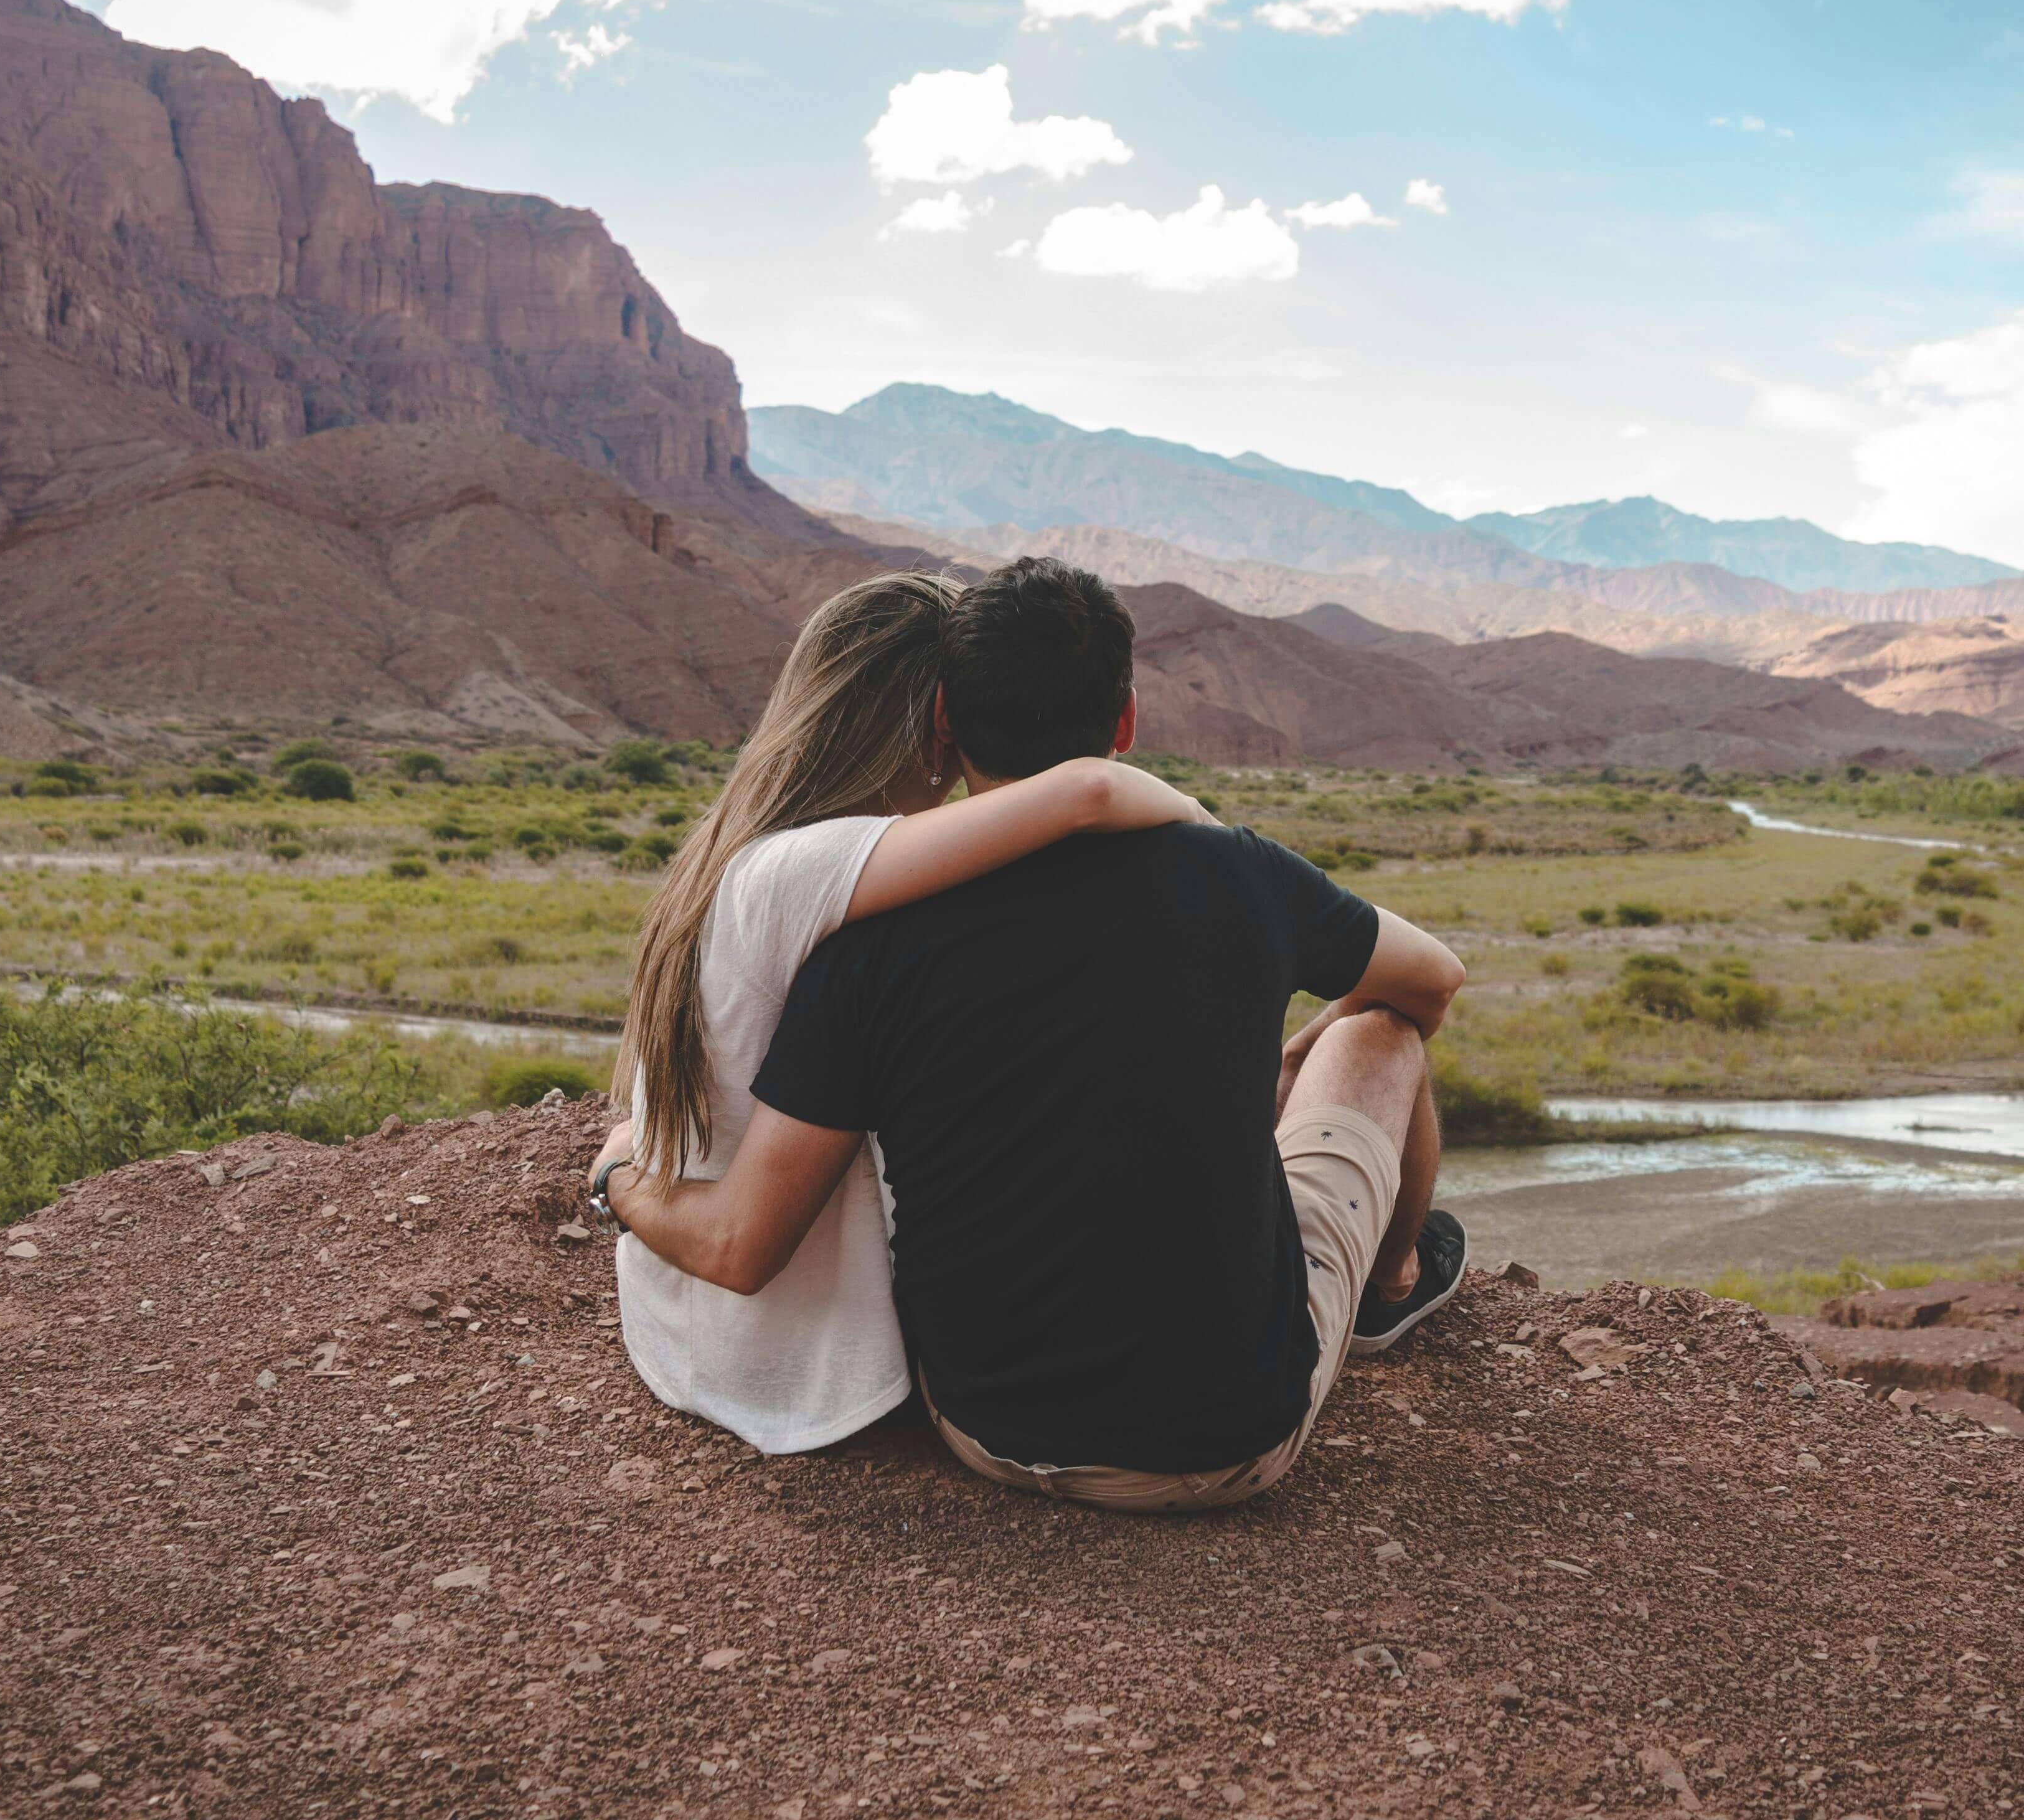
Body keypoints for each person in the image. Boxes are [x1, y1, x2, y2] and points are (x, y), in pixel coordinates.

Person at [593, 557, 1469, 1511]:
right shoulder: (1238, 873)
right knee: (1381, 1030)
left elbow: (748, 1232)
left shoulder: (862, 941)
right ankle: (1394, 1280)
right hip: (1229, 1447)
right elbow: (1434, 979)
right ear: (1126, 721)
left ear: (946, 723)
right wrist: (1303, 1030)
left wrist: (621, 1171)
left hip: (978, 1429)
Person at [606, 569, 1217, 1456]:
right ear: (942, 720)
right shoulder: (811, 867)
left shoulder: (748, 856)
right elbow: (1087, 793)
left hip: (714, 1331)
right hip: (802, 1364)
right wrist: (1206, 833)